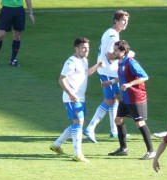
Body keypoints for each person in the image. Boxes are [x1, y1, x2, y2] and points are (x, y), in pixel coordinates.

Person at [49, 37, 102, 162]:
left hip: (80, 97)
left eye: (87, 48)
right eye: (83, 48)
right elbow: (61, 79)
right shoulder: (71, 62)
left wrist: (97, 66)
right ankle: (78, 154)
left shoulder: (84, 60)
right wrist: (70, 94)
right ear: (76, 48)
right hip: (71, 98)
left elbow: (86, 73)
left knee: (77, 124)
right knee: (78, 124)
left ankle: (56, 145)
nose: (86, 50)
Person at [83, 10, 132, 143]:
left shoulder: (111, 33)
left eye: (127, 21)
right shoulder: (112, 36)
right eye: (123, 20)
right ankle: (90, 128)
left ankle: (114, 131)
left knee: (115, 99)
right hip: (107, 71)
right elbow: (110, 55)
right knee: (109, 100)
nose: (125, 23)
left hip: (108, 71)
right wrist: (127, 55)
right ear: (116, 20)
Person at [103, 40, 155, 160]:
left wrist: (130, 84)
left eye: (116, 50)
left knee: (140, 123)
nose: (113, 52)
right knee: (118, 120)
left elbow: (145, 76)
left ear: (122, 51)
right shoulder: (121, 62)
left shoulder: (131, 63)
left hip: (137, 98)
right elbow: (122, 76)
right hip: (126, 98)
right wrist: (111, 82)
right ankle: (123, 149)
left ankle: (151, 151)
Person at [0, 0, 35, 67]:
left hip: (19, 10)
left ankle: (13, 60)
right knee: (0, 35)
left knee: (17, 35)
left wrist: (31, 13)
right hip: (6, 10)